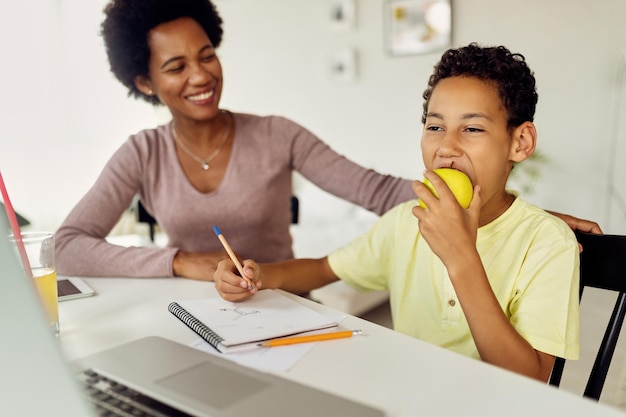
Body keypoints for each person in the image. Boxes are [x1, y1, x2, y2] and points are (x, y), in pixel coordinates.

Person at [55, 0, 598, 281]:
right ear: (145, 83)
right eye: (175, 67)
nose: (200, 75)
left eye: (206, 55)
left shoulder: (275, 134)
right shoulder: (141, 154)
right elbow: (67, 246)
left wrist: (518, 215)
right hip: (192, 312)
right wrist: (183, 263)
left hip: (283, 301)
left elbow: (379, 191)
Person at [214, 43, 581, 382]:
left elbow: (529, 379)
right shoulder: (405, 221)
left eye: (471, 128)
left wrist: (461, 258)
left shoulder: (548, 242)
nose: (446, 147)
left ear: (520, 142)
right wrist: (260, 273)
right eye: (435, 127)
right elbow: (324, 268)